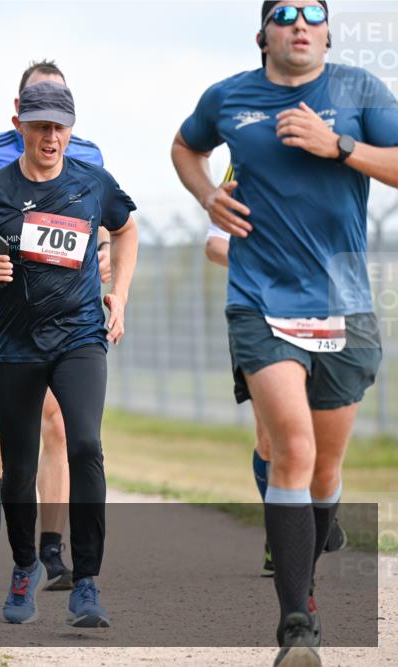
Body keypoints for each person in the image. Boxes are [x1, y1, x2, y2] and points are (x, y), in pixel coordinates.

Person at [171, 2, 398, 664]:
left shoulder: (360, 91)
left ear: (327, 33)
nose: (299, 22)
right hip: (260, 300)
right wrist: (206, 194)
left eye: (313, 13)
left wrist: (342, 147)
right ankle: (297, 624)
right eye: (284, 12)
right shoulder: (230, 97)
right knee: (290, 448)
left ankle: (306, 575)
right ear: (264, 33)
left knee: (325, 467)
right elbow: (185, 146)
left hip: (343, 302)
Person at [0, 81, 138, 626]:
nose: (50, 137)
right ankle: (24, 566)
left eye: (59, 126)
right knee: (19, 467)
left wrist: (117, 293)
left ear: (71, 128)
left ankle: (88, 582)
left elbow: (127, 228)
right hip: (16, 343)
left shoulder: (92, 182)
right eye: (40, 125)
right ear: (20, 124)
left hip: (79, 336)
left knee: (87, 444)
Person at [205, 167, 348, 578]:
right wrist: (269, 265)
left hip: (321, 314)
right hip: (259, 317)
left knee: (319, 438)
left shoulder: (330, 161)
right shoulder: (243, 165)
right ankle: (281, 538)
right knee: (272, 438)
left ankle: (318, 510)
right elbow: (215, 245)